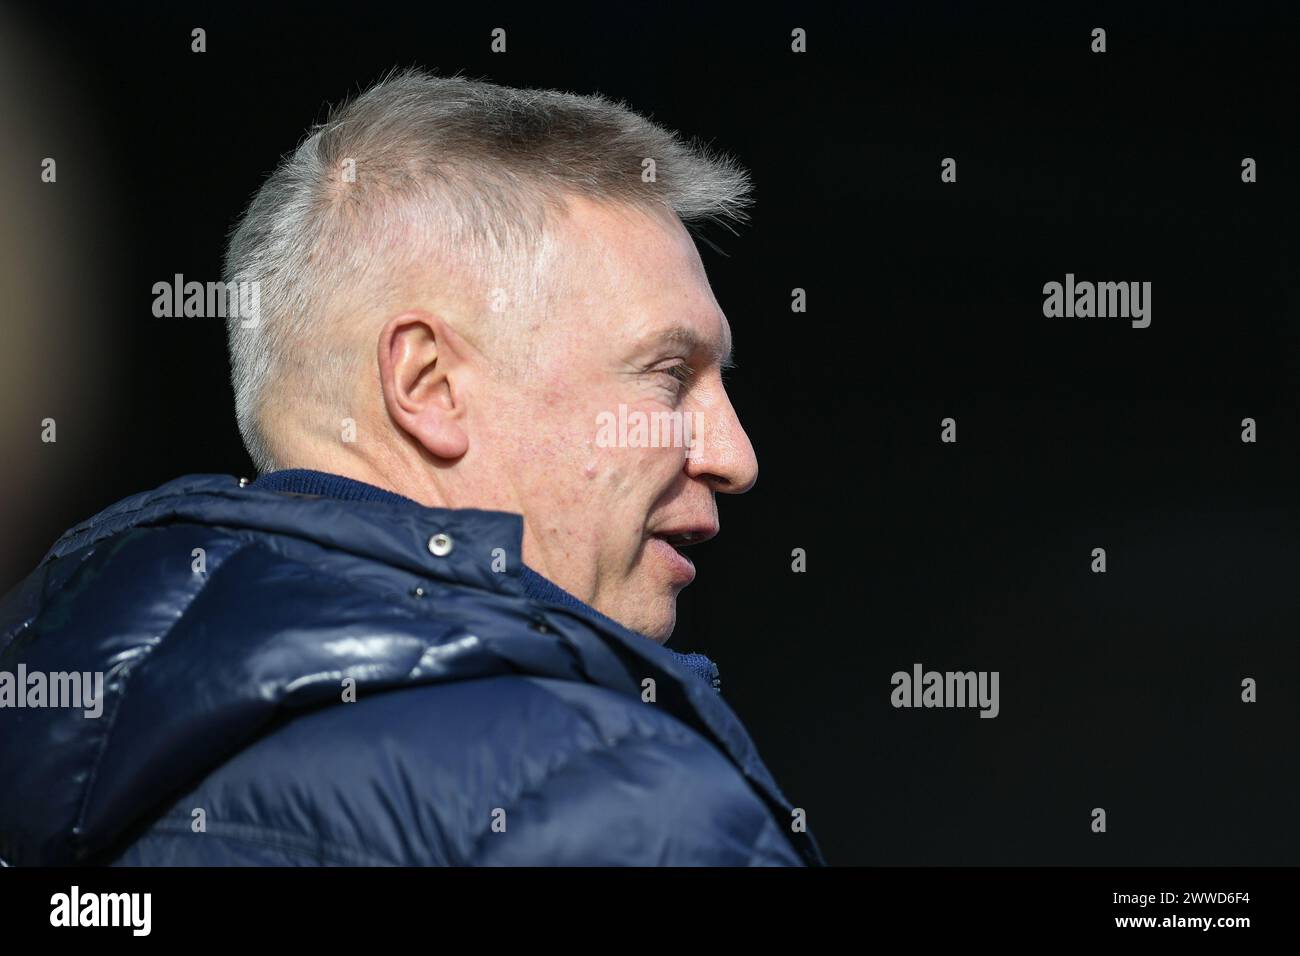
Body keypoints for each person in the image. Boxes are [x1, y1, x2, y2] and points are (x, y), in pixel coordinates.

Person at [0, 69, 825, 866]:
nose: (735, 457)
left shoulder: (42, 716)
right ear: (429, 386)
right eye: (669, 374)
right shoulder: (620, 806)